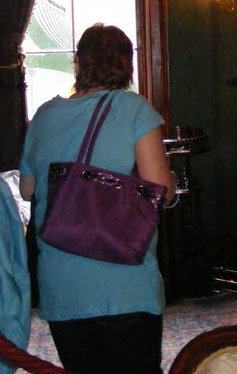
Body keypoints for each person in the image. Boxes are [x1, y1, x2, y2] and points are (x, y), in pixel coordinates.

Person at [19, 23, 176, 374]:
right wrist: (172, 183)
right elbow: (159, 190)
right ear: (127, 65)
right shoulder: (134, 109)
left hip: (62, 287)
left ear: (79, 62)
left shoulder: (43, 115)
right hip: (124, 286)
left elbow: (28, 190)